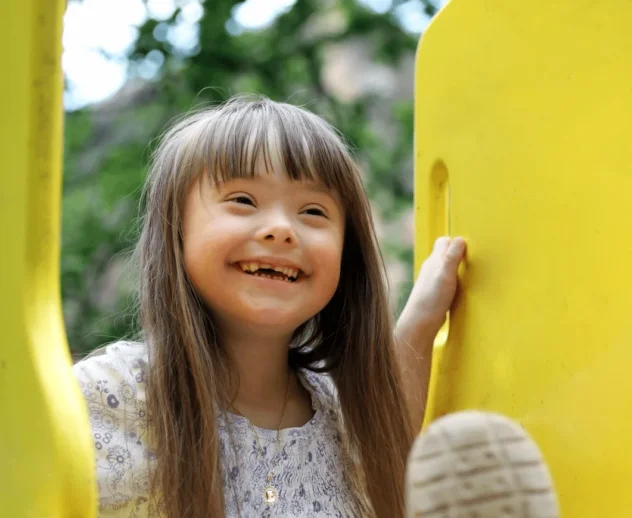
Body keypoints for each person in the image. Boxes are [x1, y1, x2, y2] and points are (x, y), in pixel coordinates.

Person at [74, 95, 558, 518]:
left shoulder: (345, 414)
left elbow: (388, 420)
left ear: (348, 255)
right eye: (243, 200)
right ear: (174, 232)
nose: (281, 228)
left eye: (313, 212)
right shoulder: (111, 397)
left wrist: (424, 315)